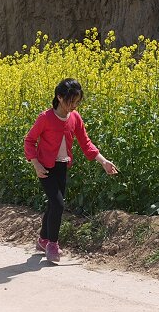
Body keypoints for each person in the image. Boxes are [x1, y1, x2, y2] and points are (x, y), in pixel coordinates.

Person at [24, 78, 118, 262]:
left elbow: (86, 143)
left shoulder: (75, 118)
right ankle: (53, 245)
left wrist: (103, 161)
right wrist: (36, 164)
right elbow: (29, 140)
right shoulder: (45, 118)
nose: (74, 106)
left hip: (62, 166)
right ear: (59, 97)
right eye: (71, 101)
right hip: (45, 168)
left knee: (53, 204)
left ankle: (43, 239)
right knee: (58, 204)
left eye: (77, 102)